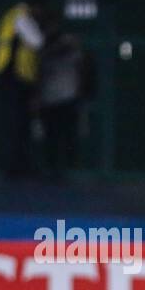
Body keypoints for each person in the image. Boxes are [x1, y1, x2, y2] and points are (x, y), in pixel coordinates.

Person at [0, 0, 46, 179]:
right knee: (16, 124)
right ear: (33, 6)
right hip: (12, 78)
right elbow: (37, 42)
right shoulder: (20, 16)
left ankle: (19, 165)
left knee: (21, 123)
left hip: (19, 79)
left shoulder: (15, 15)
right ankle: (14, 167)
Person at [37, 12, 90, 181]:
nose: (51, 30)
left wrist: (81, 90)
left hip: (68, 96)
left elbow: (82, 66)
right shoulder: (39, 45)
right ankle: (51, 170)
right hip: (48, 98)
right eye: (48, 27)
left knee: (68, 135)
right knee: (50, 137)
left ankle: (69, 171)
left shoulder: (70, 43)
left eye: (54, 26)